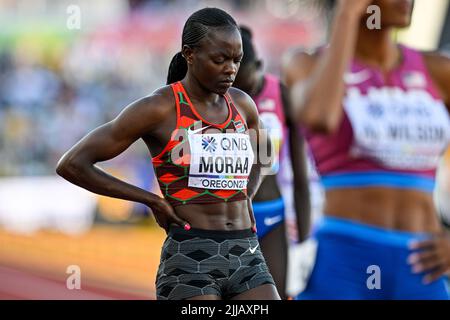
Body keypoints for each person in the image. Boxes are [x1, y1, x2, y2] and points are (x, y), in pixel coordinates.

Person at [56, 7, 280, 301]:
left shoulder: (242, 105)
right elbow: (72, 164)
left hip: (247, 251)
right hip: (191, 256)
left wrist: (247, 193)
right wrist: (150, 200)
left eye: (236, 60)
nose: (230, 70)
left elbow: (265, 153)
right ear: (189, 54)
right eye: (219, 59)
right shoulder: (159, 108)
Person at [283, 0, 450, 299]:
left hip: (423, 262)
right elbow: (320, 117)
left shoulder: (438, 70)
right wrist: (347, 16)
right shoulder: (305, 64)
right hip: (343, 258)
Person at [232, 25, 311, 299]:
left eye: (247, 86)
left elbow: (301, 177)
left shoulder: (281, 94)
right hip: (229, 220)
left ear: (259, 66)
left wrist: (304, 244)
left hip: (272, 214)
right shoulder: (216, 99)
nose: (243, 97)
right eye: (234, 88)